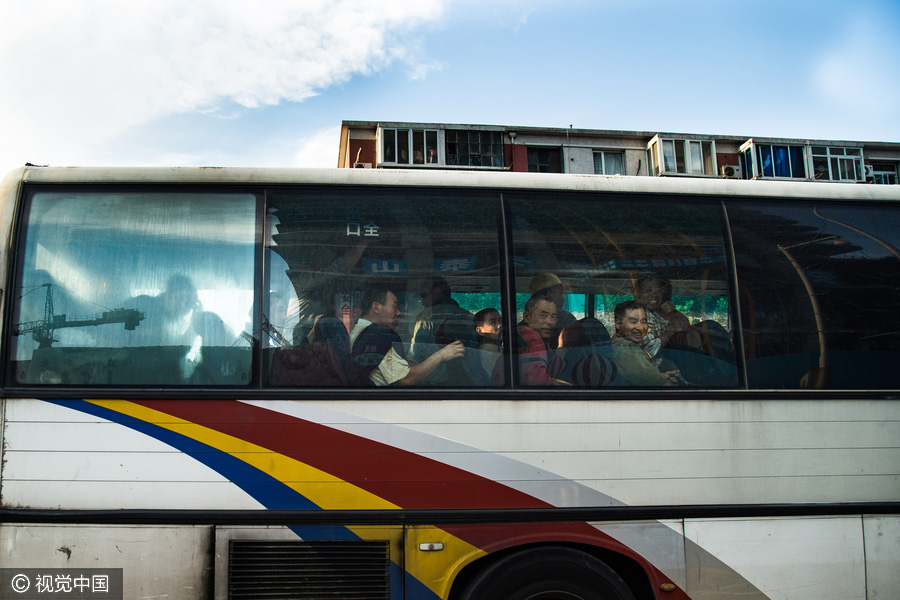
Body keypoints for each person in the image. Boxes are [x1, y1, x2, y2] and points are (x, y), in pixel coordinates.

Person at [349, 284, 465, 386]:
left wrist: (401, 362)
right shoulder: (378, 335)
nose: (399, 313)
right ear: (376, 307)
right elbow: (406, 379)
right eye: (394, 306)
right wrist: (442, 354)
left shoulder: (358, 331)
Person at [410, 277, 488, 384]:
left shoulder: (427, 316)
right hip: (467, 382)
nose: (423, 302)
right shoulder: (468, 316)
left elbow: (417, 352)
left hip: (434, 381)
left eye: (424, 296)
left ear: (437, 293)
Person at [610, 300, 680, 386]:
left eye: (644, 322)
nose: (641, 328)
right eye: (633, 322)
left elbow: (642, 376)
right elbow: (652, 384)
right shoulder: (624, 349)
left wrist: (662, 376)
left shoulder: (625, 345)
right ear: (618, 324)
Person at [633, 276, 700, 353]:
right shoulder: (634, 317)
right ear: (638, 295)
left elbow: (682, 328)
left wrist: (672, 312)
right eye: (648, 290)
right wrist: (669, 331)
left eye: (659, 291)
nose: (655, 294)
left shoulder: (657, 315)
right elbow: (649, 351)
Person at [528, 272, 576, 346]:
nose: (563, 298)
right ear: (549, 294)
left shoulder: (522, 328)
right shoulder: (566, 318)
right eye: (560, 293)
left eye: (553, 316)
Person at [474, 307, 502, 375]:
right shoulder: (489, 352)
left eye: (500, 321)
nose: (499, 325)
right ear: (480, 331)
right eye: (493, 322)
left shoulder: (497, 349)